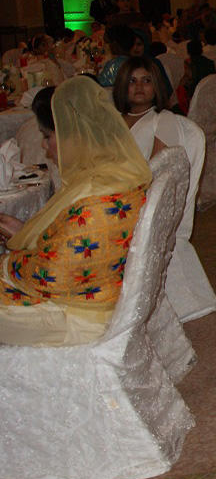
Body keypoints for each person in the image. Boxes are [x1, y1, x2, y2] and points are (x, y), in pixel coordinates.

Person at [0, 77, 151, 346]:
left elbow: (52, 275)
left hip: (76, 315)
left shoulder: (94, 200)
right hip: (99, 295)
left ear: (73, 135)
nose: (44, 146)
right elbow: (74, 247)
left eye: (47, 136)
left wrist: (8, 263)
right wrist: (23, 232)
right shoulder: (117, 174)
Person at [112, 57, 185, 159]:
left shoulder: (164, 119)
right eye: (132, 81)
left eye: (146, 81)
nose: (139, 86)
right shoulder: (114, 119)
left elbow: (159, 165)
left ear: (156, 86)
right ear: (123, 86)